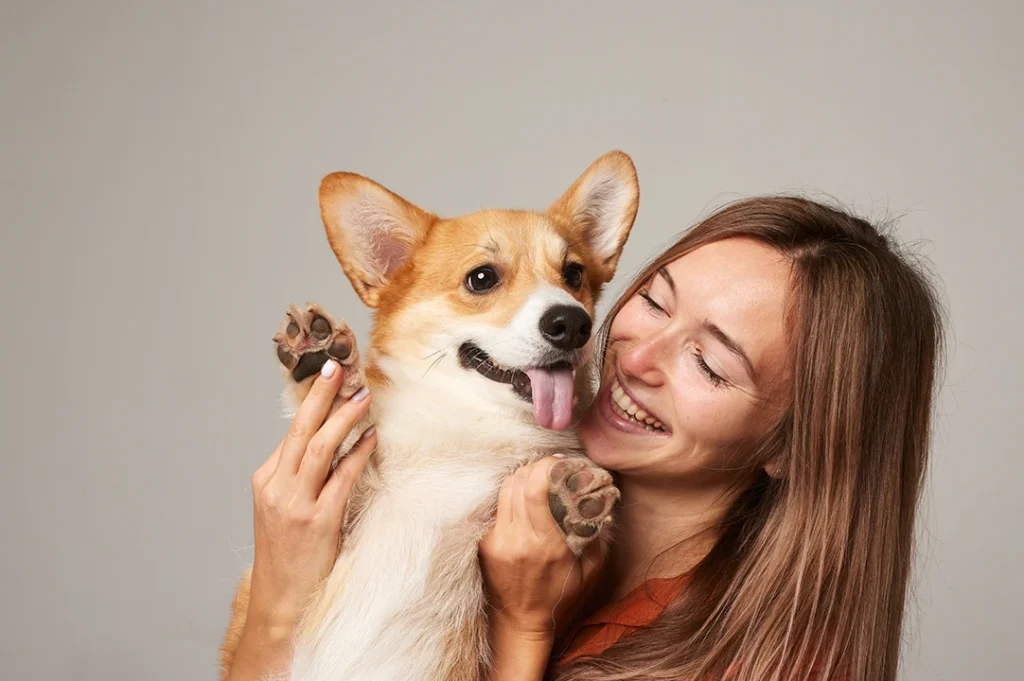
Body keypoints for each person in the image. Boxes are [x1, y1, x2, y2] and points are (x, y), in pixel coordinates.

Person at [225, 196, 943, 681]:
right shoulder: (507, 467)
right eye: (653, 300)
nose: (631, 355)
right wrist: (279, 598)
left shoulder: (774, 661)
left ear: (796, 443)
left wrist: (522, 625)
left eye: (709, 362)